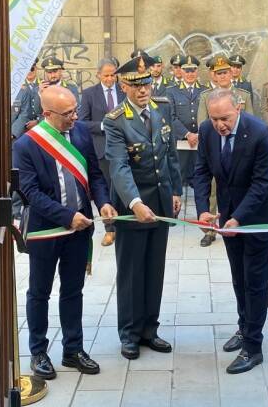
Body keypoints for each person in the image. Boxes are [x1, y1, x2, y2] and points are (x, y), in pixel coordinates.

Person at [12, 85, 117, 380]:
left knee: (73, 291)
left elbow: (94, 175)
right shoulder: (27, 145)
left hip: (79, 230)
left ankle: (73, 349)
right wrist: (68, 216)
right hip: (46, 230)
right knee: (39, 292)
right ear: (47, 114)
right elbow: (30, 193)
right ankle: (38, 352)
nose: (75, 117)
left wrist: (104, 202)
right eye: (67, 113)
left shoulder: (82, 132)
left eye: (74, 110)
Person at [193, 89, 268, 374]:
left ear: (239, 108)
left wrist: (238, 218)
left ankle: (253, 347)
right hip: (229, 215)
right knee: (238, 277)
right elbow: (201, 171)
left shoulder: (258, 133)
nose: (220, 125)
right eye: (215, 118)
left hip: (258, 216)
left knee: (255, 280)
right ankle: (244, 327)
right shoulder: (207, 131)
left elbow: (262, 183)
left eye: (225, 118)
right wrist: (202, 210)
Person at [104, 54, 182, 360]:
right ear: (124, 85)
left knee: (154, 269)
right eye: (136, 85)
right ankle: (130, 333)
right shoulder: (115, 121)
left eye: (146, 83)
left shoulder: (160, 109)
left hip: (161, 203)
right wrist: (134, 203)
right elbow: (119, 166)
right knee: (132, 272)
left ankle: (150, 328)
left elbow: (170, 154)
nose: (143, 90)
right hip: (132, 207)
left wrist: (176, 190)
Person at [197, 55, 255, 247]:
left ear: (232, 72)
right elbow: (203, 124)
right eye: (218, 73)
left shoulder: (242, 94)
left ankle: (239, 221)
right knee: (214, 189)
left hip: (240, 150)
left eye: (226, 72)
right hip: (217, 148)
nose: (222, 76)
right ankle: (211, 230)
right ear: (213, 75)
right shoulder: (206, 96)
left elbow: (251, 122)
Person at [77, 58, 124, 246]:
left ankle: (124, 225)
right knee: (105, 191)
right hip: (100, 150)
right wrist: (104, 125)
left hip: (123, 149)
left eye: (113, 75)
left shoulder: (124, 91)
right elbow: (82, 122)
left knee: (122, 188)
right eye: (106, 75)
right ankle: (110, 229)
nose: (110, 78)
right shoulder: (89, 94)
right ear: (98, 75)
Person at [167, 56, 204, 195]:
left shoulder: (204, 90)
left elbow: (208, 115)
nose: (190, 74)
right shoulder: (171, 91)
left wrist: (199, 134)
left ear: (197, 72)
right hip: (180, 142)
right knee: (178, 179)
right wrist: (187, 134)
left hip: (200, 141)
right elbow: (171, 116)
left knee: (200, 179)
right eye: (187, 71)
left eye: (193, 70)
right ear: (181, 72)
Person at [30, 56, 82, 121]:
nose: (53, 75)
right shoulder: (39, 89)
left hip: (66, 123)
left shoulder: (71, 88)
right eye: (49, 72)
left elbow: (76, 109)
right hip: (47, 125)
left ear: (61, 71)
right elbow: (37, 112)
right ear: (45, 73)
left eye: (55, 72)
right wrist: (40, 93)